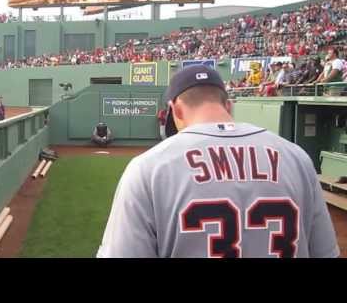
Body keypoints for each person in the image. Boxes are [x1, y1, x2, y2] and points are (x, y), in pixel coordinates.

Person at [97, 65, 339, 258]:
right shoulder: (296, 158)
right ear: (228, 105)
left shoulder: (148, 168)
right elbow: (325, 252)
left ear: (176, 110)